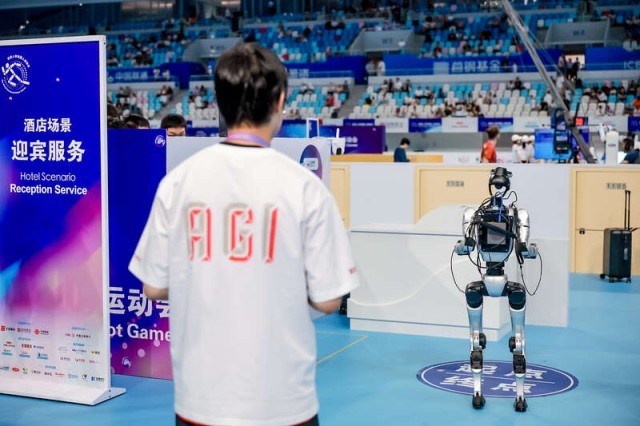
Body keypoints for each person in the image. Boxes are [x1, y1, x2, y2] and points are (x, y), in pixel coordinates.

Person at [128, 42, 359, 426]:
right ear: (280, 100)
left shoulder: (178, 183)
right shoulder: (306, 188)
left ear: (219, 102)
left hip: (201, 400)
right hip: (283, 402)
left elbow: (153, 286)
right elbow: (330, 297)